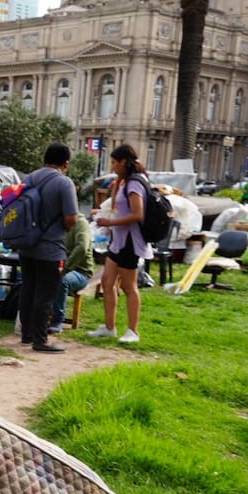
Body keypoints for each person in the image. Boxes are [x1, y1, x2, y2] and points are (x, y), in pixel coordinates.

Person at [16, 143, 79, 353]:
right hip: (51, 248)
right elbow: (71, 218)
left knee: (28, 289)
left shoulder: (28, 179)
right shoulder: (64, 183)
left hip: (26, 245)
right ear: (65, 163)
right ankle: (40, 339)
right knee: (45, 294)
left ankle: (26, 335)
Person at [89, 143, 151, 344]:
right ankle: (109, 327)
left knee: (129, 286)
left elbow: (137, 214)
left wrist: (110, 222)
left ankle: (133, 330)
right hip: (118, 240)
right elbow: (117, 207)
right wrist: (116, 188)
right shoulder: (124, 183)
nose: (113, 167)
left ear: (125, 161)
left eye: (115, 162)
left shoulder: (135, 184)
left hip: (130, 241)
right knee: (108, 282)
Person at [49, 212, 92, 334]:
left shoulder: (81, 224)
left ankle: (57, 320)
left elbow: (82, 247)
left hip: (81, 272)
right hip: (58, 265)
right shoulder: (56, 221)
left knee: (62, 281)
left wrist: (66, 269)